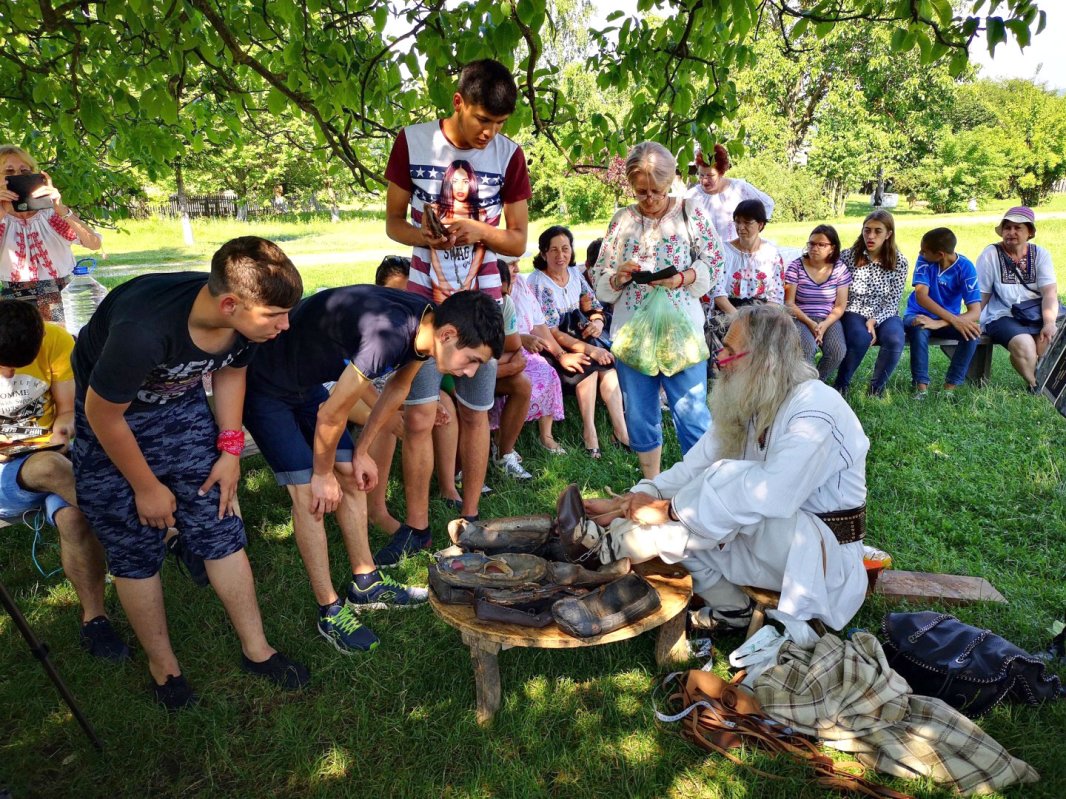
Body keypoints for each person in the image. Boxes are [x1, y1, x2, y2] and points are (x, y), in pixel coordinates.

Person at [70, 237, 308, 710]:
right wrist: (147, 487)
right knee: (133, 548)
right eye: (275, 316)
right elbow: (103, 416)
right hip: (113, 424)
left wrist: (230, 449)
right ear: (228, 303)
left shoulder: (244, 325)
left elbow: (230, 373)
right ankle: (165, 669)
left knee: (221, 527)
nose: (285, 326)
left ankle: (257, 650)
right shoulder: (144, 330)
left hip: (180, 410)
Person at [243, 288, 503, 653]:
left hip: (305, 385)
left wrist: (362, 450)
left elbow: (397, 388)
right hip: (266, 386)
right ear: (448, 335)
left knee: (350, 473)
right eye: (472, 359)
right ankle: (329, 609)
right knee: (308, 493)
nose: (471, 371)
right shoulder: (390, 333)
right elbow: (331, 414)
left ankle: (365, 583)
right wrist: (322, 474)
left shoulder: (426, 322)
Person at [583, 305, 870, 632]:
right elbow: (696, 465)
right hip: (766, 541)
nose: (721, 364)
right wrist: (637, 498)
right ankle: (734, 611)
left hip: (819, 558)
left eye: (731, 354)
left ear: (766, 362)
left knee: (710, 508)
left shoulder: (816, 412)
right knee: (704, 515)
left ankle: (614, 543)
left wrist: (672, 511)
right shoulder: (755, 395)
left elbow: (772, 494)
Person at [382, 58, 530, 559]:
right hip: (424, 308)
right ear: (458, 103)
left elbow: (517, 242)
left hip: (483, 309)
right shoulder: (412, 142)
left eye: (500, 124)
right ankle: (419, 526)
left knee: (476, 412)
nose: (490, 133)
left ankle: (470, 521)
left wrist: (478, 231)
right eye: (482, 120)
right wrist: (423, 236)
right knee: (419, 416)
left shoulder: (510, 157)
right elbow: (393, 225)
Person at [0, 299, 128, 660]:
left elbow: (68, 410)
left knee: (74, 516)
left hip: (57, 455)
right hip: (11, 473)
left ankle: (95, 620)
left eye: (17, 364)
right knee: (50, 469)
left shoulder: (55, 340)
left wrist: (63, 428)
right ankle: (151, 528)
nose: (8, 375)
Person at [592, 142, 721, 478]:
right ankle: (651, 484)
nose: (648, 199)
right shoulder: (622, 220)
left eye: (656, 191)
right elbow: (600, 275)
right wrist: (620, 276)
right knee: (639, 412)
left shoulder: (690, 213)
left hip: (682, 331)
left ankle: (701, 485)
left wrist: (683, 277)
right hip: (632, 331)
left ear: (672, 183)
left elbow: (715, 262)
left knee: (691, 411)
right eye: (641, 192)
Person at [528, 225, 629, 459]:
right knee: (590, 367)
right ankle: (590, 432)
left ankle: (621, 430)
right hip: (555, 345)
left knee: (608, 368)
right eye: (553, 250)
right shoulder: (538, 283)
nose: (560, 255)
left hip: (582, 334)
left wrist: (597, 322)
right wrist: (591, 349)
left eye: (565, 249)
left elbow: (594, 306)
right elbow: (551, 331)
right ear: (543, 253)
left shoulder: (574, 274)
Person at [0, 145, 102, 325]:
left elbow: (93, 243)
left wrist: (60, 207)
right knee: (22, 351)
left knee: (65, 349)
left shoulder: (50, 215)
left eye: (25, 171)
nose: (17, 176)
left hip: (62, 298)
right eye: (9, 171)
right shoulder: (2, 220)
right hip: (14, 304)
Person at [977, 206, 1061, 392]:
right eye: (1007, 228)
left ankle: (1048, 383)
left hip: (1036, 313)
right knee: (1024, 345)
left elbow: (1049, 293)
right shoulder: (990, 254)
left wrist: (1049, 322)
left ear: (1029, 232)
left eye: (1018, 228)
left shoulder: (1041, 254)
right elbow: (982, 293)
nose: (1011, 232)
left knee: (1048, 341)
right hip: (1002, 314)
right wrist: (973, 320)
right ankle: (1036, 387)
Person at [834, 210, 908, 397]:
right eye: (867, 230)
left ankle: (876, 389)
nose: (871, 236)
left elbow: (893, 300)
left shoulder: (899, 261)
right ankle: (841, 385)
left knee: (895, 339)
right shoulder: (848, 256)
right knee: (861, 338)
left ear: (889, 234)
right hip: (854, 308)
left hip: (885, 311)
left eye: (877, 231)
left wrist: (874, 320)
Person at [903, 228, 983, 399]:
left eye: (924, 250)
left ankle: (949, 388)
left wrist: (941, 322)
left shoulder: (966, 268)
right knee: (919, 328)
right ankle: (921, 388)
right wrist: (951, 320)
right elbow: (921, 296)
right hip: (917, 313)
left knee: (972, 333)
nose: (920, 253)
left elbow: (975, 311)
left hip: (945, 320)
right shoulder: (924, 260)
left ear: (940, 254)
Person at [504, 253, 567, 454]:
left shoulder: (521, 284)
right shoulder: (490, 290)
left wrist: (560, 354)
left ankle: (546, 436)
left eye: (516, 263)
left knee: (547, 373)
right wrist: (521, 339)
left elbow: (539, 324)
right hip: (501, 351)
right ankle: (503, 441)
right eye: (511, 264)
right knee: (508, 383)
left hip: (526, 351)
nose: (516, 269)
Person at [706, 199, 785, 354]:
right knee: (730, 343)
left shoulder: (771, 254)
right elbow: (717, 292)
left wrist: (758, 320)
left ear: (761, 225)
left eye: (747, 222)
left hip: (761, 312)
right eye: (737, 222)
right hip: (728, 310)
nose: (740, 227)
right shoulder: (724, 252)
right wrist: (741, 320)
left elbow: (776, 296)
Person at [784, 225, 850, 381]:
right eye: (812, 243)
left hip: (828, 318)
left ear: (832, 248)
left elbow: (840, 306)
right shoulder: (796, 266)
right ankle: (802, 385)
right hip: (800, 316)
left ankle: (818, 383)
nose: (815, 248)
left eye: (821, 244)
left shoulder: (839, 269)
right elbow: (789, 303)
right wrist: (810, 323)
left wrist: (824, 325)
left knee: (837, 351)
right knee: (807, 349)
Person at [487, 264, 533, 478]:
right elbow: (461, 367)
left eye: (504, 293)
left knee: (522, 384)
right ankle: (458, 471)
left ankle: (503, 453)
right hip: (457, 379)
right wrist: (508, 366)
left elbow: (514, 346)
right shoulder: (470, 308)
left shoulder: (505, 303)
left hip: (482, 370)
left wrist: (501, 363)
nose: (498, 302)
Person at [684, 144, 775, 241]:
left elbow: (767, 203)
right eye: (701, 175)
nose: (704, 180)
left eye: (710, 175)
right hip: (705, 254)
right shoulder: (692, 196)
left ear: (721, 173)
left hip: (735, 251)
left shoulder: (739, 188)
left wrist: (752, 229)